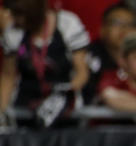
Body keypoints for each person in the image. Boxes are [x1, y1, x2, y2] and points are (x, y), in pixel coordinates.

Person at [0, 0, 90, 128]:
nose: (16, 19)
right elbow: (7, 76)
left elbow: (82, 72)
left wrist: (64, 93)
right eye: (15, 14)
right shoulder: (14, 31)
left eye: (20, 14)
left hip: (63, 107)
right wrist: (2, 111)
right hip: (26, 107)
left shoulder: (67, 23)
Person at [83, 3, 136, 105]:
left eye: (130, 24)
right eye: (117, 23)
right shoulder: (87, 56)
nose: (125, 29)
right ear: (102, 29)